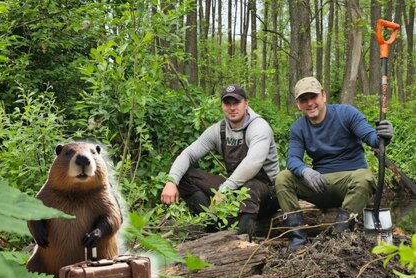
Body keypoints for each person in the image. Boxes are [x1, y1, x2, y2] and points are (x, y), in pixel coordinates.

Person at [275, 76, 394, 251]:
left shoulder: (346, 113)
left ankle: (338, 238)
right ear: (298, 104)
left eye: (313, 97)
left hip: (351, 182)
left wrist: (383, 135)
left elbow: (371, 138)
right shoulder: (298, 127)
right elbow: (293, 159)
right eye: (304, 99)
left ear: (323, 96)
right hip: (320, 184)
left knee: (365, 177)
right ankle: (297, 240)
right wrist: (305, 171)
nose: (310, 103)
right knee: (282, 178)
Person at [160, 84, 280, 239]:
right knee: (185, 177)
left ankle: (241, 245)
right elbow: (189, 153)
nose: (232, 108)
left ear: (246, 103)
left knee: (249, 189)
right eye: (227, 103)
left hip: (267, 193)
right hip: (235, 189)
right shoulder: (219, 130)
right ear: (222, 105)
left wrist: (224, 190)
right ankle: (213, 227)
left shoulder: (259, 127)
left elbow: (253, 162)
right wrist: (171, 180)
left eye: (236, 102)